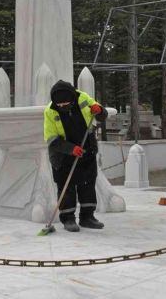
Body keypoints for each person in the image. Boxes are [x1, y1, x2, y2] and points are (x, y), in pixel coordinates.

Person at [43, 80, 107, 232]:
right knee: (67, 187)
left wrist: (99, 110)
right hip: (63, 155)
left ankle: (87, 217)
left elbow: (100, 115)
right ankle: (68, 219)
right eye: (61, 105)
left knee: (87, 184)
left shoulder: (83, 98)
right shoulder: (50, 111)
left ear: (73, 98)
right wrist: (70, 149)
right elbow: (51, 139)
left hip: (86, 149)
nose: (64, 107)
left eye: (66, 104)